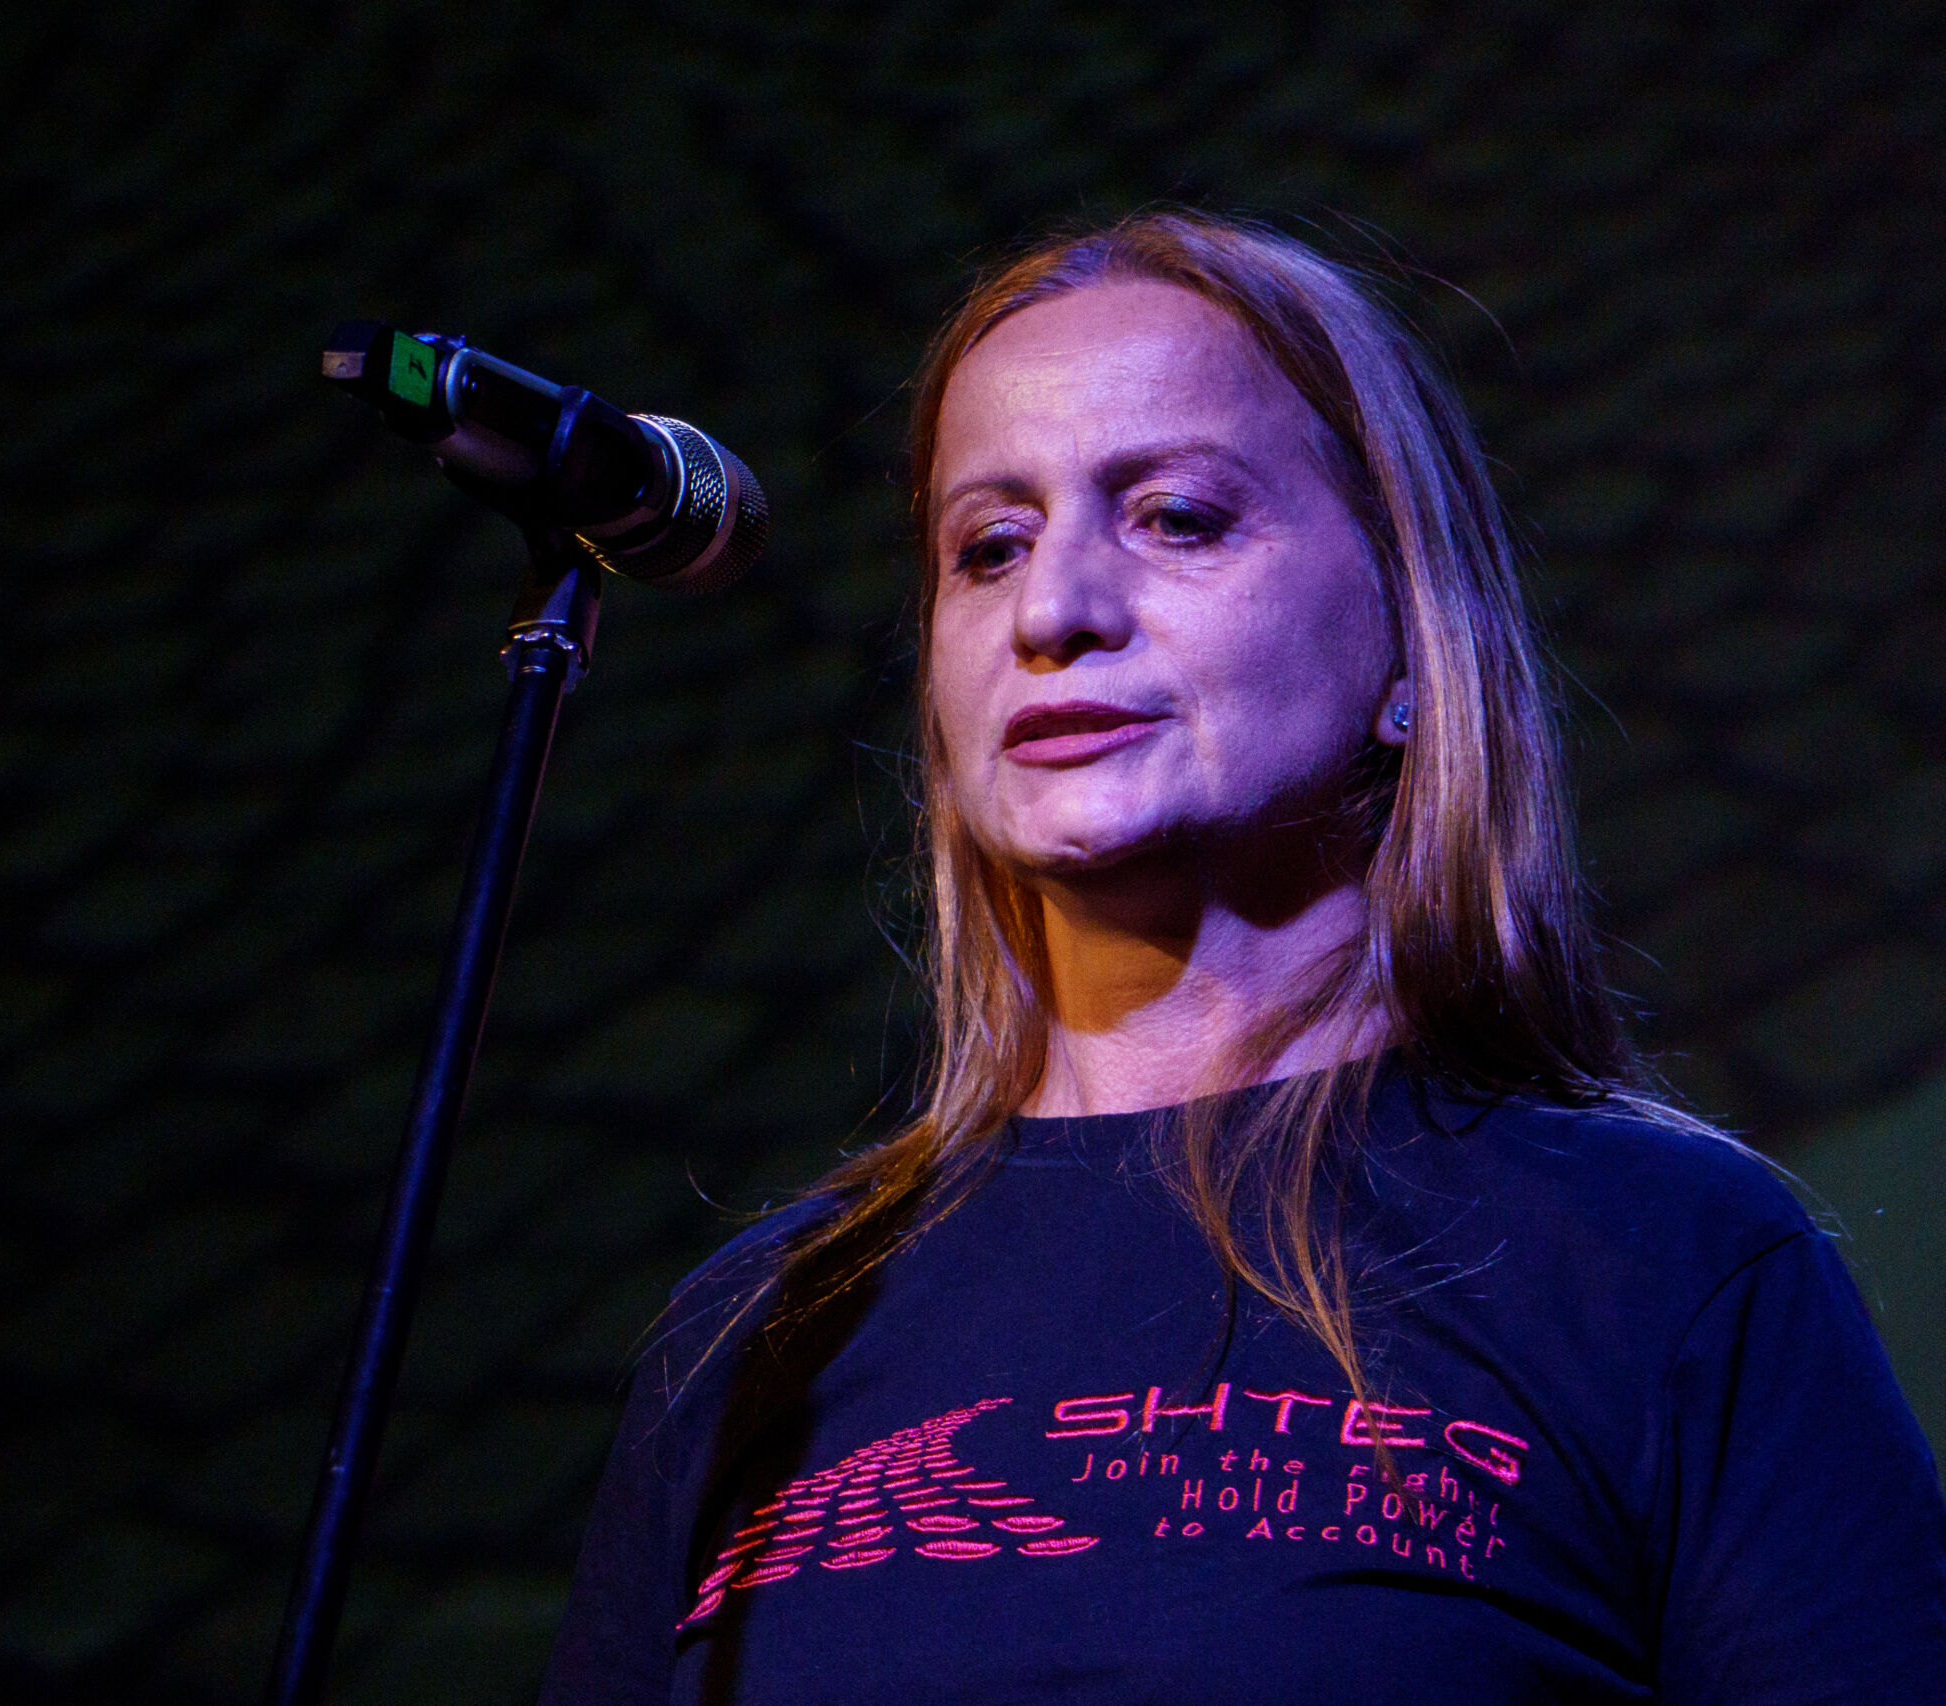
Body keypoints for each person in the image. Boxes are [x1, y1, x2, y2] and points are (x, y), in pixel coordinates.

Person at [535, 213, 1946, 1704]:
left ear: (1407, 640)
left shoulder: (1663, 1260)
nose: (1054, 611)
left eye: (1178, 518)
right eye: (989, 548)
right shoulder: (758, 1333)